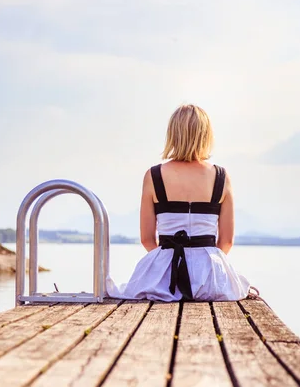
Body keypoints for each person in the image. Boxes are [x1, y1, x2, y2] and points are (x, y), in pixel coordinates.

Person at [107, 104, 254, 302]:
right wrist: (202, 267)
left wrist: (167, 266)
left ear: (173, 134)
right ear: (206, 135)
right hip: (210, 279)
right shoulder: (221, 176)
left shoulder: (154, 175)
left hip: (163, 279)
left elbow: (147, 239)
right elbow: (226, 242)